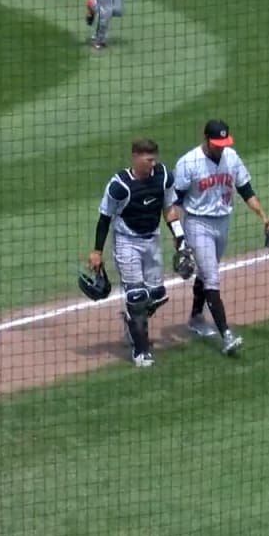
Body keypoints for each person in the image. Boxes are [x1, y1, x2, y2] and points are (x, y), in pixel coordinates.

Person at [172, 120, 269, 356]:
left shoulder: (231, 157)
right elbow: (174, 201)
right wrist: (178, 237)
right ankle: (226, 335)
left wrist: (264, 218)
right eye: (216, 143)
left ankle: (196, 317)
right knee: (211, 278)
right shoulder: (189, 163)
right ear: (206, 138)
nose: (220, 147)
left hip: (222, 223)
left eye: (223, 143)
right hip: (197, 223)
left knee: (206, 272)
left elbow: (246, 189)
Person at [87, 138, 188, 367]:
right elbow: (105, 218)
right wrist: (97, 251)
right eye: (148, 159)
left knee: (157, 294)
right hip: (126, 243)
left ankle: (132, 321)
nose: (152, 164)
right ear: (135, 157)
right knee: (136, 296)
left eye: (154, 159)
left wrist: (179, 238)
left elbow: (169, 209)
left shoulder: (163, 177)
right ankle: (140, 351)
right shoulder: (119, 186)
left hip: (151, 240)